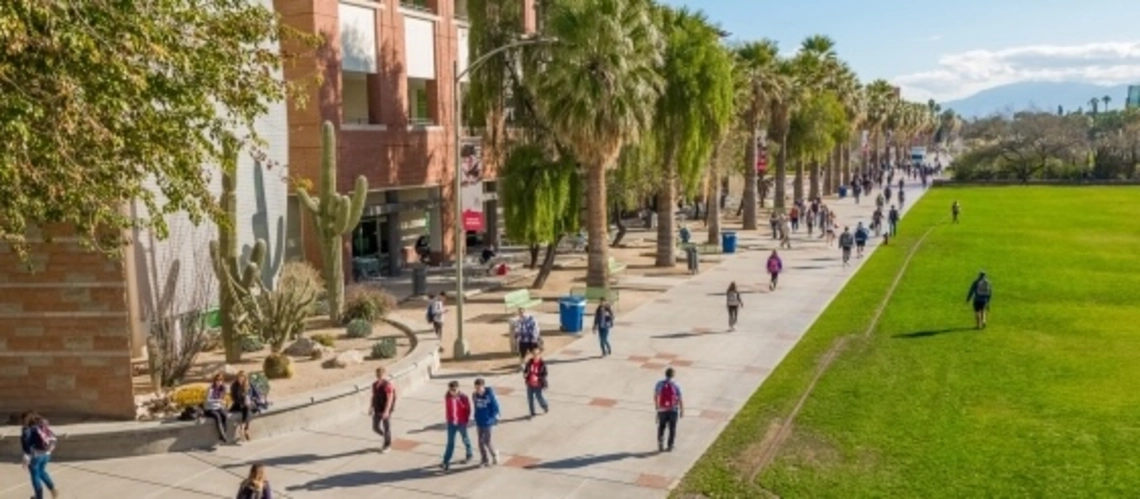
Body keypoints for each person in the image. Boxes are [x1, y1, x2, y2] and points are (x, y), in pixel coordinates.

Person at [20, 411, 57, 499]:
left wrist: (26, 459)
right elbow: (53, 438)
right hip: (46, 454)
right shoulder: (42, 426)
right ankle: (52, 488)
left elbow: (26, 445)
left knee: (35, 476)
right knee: (42, 471)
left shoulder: (27, 429)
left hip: (35, 456)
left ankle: (39, 497)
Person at [441, 381, 473, 472]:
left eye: (454, 390)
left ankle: (469, 454)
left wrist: (466, 421)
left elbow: (467, 409)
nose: (452, 392)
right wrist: (448, 419)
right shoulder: (448, 397)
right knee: (450, 443)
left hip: (461, 422)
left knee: (465, 438)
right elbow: (448, 409)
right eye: (450, 390)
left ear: (458, 388)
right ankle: (446, 460)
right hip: (451, 423)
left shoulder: (463, 397)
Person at [472, 378, 501, 467]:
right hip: (479, 421)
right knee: (480, 442)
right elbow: (476, 407)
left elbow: (495, 407)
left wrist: (494, 418)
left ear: (483, 386)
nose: (478, 390)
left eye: (479, 388)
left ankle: (494, 454)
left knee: (487, 441)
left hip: (488, 421)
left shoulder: (489, 395)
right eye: (476, 388)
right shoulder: (474, 395)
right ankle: (484, 459)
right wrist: (476, 418)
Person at [654, 368, 684, 452]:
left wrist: (657, 406)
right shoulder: (676, 384)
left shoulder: (659, 384)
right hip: (673, 409)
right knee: (672, 427)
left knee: (661, 426)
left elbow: (656, 395)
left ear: (665, 374)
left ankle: (660, 441)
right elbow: (680, 398)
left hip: (662, 409)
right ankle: (670, 445)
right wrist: (682, 410)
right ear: (673, 375)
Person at [369, 366, 396, 453]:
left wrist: (387, 411)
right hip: (377, 408)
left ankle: (387, 445)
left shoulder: (387, 385)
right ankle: (385, 436)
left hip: (385, 409)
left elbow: (390, 399)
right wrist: (371, 407)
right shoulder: (374, 385)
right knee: (375, 427)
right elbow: (373, 396)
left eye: (381, 375)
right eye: (378, 375)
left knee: (386, 427)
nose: (379, 376)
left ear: (384, 375)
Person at [230, 371, 261, 442]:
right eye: (239, 377)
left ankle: (243, 428)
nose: (241, 379)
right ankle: (245, 429)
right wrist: (243, 402)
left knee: (250, 409)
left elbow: (257, 394)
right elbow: (234, 398)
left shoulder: (249, 384)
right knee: (247, 408)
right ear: (237, 377)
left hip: (248, 404)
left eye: (243, 377)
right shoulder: (234, 386)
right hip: (237, 405)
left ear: (245, 378)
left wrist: (253, 399)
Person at [204, 373, 230, 444]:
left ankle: (223, 434)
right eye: (217, 380)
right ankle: (223, 436)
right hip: (209, 408)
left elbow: (222, 399)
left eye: (220, 380)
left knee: (224, 416)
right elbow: (208, 400)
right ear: (215, 381)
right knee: (217, 416)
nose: (219, 382)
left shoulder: (222, 389)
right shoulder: (211, 388)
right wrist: (218, 400)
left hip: (218, 407)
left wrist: (223, 403)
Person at [523, 348, 549, 417]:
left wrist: (538, 378)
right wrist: (525, 374)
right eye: (533, 354)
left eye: (536, 354)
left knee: (539, 397)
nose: (535, 356)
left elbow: (545, 374)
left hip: (538, 384)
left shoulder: (542, 364)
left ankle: (545, 406)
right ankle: (532, 412)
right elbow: (526, 370)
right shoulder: (530, 362)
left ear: (539, 355)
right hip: (530, 383)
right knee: (530, 398)